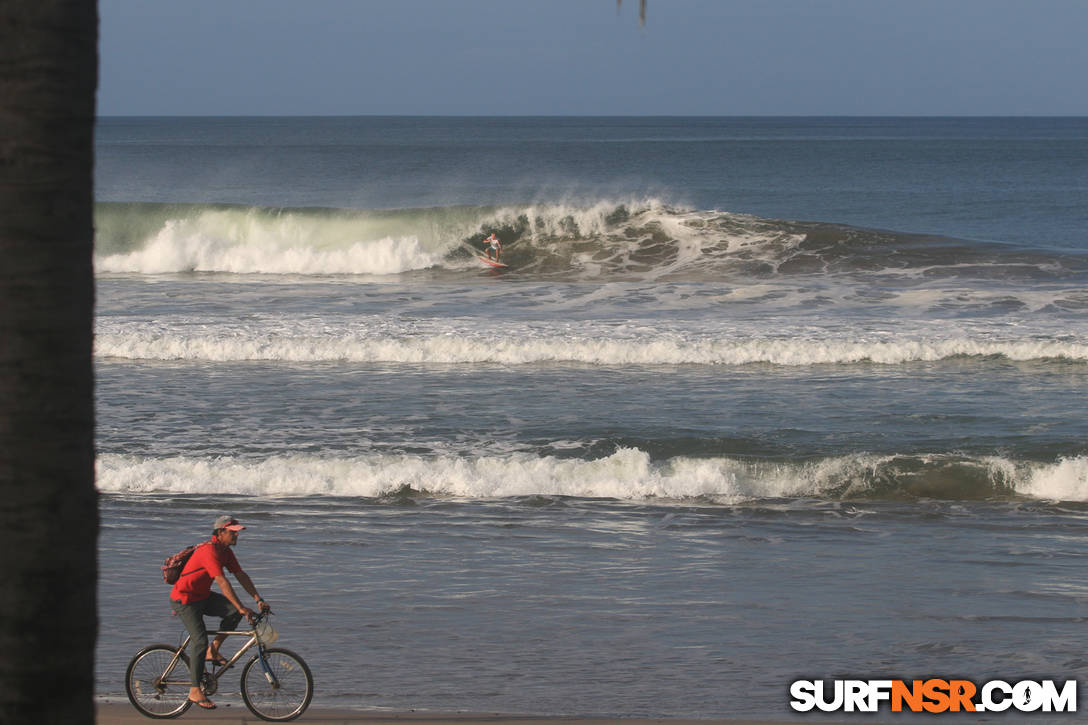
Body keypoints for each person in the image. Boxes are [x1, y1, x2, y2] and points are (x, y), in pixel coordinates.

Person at [168, 515, 270, 710]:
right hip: (185, 600)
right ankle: (195, 690)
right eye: (233, 532)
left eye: (237, 532)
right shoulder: (209, 551)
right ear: (220, 532)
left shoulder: (226, 551)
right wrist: (242, 606)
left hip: (202, 597)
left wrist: (258, 599)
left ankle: (212, 651)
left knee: (233, 613)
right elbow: (222, 582)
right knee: (199, 640)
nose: (236, 536)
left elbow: (240, 575)